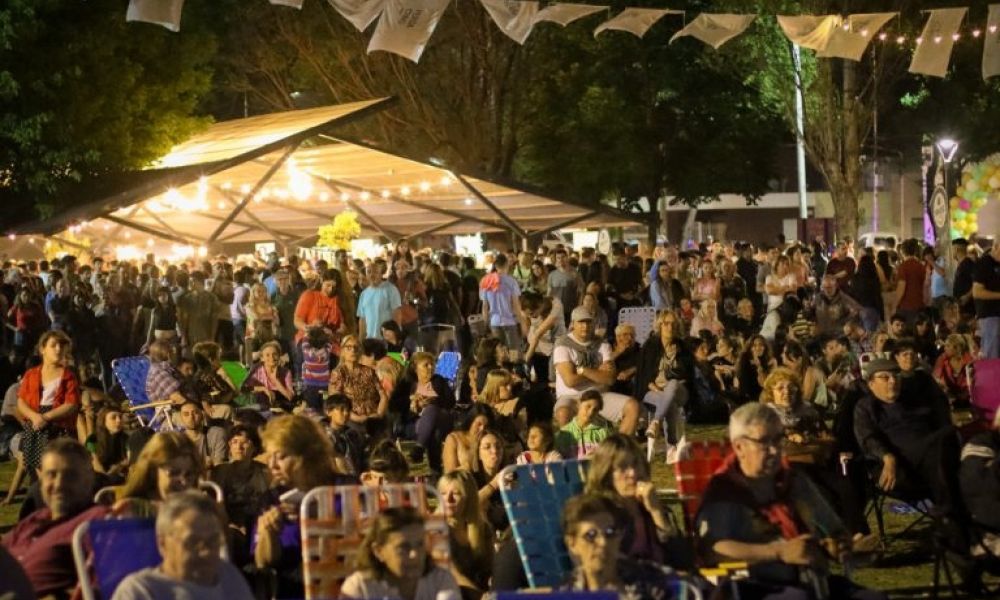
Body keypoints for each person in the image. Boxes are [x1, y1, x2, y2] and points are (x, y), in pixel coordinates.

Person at [696, 403, 885, 600]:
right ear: (739, 447)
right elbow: (713, 548)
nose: (774, 450)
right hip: (755, 584)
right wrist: (779, 552)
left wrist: (841, 545)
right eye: (764, 442)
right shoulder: (726, 490)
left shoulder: (792, 480)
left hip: (809, 578)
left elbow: (832, 528)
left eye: (778, 440)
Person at [853, 357, 963, 525]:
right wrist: (887, 457)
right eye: (885, 377)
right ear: (870, 383)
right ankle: (952, 517)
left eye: (896, 376)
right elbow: (867, 438)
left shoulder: (913, 400)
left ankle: (953, 516)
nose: (893, 381)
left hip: (934, 459)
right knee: (944, 439)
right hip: (902, 464)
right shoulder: (866, 407)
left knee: (957, 441)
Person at [255, 415, 353, 598]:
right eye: (270, 457)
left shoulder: (346, 489)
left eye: (282, 456)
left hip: (346, 588)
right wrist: (268, 533)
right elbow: (263, 562)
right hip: (294, 591)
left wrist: (313, 517)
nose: (272, 465)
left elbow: (367, 542)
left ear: (307, 456)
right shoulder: (271, 499)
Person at [2, 439, 109, 597]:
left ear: (89, 479)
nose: (59, 484)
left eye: (71, 475)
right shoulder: (34, 520)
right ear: (42, 479)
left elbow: (102, 587)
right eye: (51, 474)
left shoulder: (96, 521)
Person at [111, 491, 254, 600]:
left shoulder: (228, 576)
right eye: (192, 542)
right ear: (163, 544)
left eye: (213, 540)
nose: (206, 552)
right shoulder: (141, 591)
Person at [558, 493, 682, 596]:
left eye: (610, 532)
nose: (603, 542)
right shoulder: (566, 592)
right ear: (572, 544)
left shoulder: (654, 581)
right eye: (591, 535)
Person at [583, 435, 677, 564]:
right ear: (606, 474)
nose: (632, 473)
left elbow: (682, 562)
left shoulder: (658, 510)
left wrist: (656, 513)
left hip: (665, 581)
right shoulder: (601, 516)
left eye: (636, 464)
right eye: (622, 467)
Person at [340, 506, 460, 600]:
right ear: (379, 551)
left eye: (420, 545)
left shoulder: (439, 581)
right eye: (403, 547)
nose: (415, 554)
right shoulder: (360, 587)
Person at [552, 306, 640, 434]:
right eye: (581, 322)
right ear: (572, 324)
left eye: (588, 322)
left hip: (599, 395)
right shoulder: (563, 345)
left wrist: (582, 370)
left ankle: (618, 447)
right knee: (563, 413)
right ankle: (570, 451)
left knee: (632, 406)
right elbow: (570, 381)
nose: (585, 326)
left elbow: (610, 379)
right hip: (570, 396)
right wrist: (597, 370)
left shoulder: (602, 344)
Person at [17, 330, 80, 472]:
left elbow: (71, 404)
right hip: (34, 423)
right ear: (42, 349)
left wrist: (46, 417)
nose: (58, 349)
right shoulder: (31, 374)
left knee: (55, 465)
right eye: (53, 345)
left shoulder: (68, 376)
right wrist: (35, 417)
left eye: (61, 345)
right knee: (36, 468)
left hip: (57, 423)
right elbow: (21, 401)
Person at [635, 310, 693, 460]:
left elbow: (688, 376)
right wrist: (657, 389)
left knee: (672, 386)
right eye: (666, 323)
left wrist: (668, 391)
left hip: (679, 389)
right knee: (668, 403)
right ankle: (671, 448)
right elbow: (644, 376)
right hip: (652, 390)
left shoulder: (682, 346)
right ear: (660, 325)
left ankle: (656, 422)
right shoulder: (650, 346)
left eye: (673, 324)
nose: (670, 327)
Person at [390, 352, 455, 472]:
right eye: (426, 365)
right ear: (415, 368)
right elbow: (393, 405)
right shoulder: (407, 383)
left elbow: (451, 402)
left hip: (440, 417)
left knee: (431, 409)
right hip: (416, 422)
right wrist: (412, 399)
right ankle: (433, 469)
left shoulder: (439, 380)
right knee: (433, 432)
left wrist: (432, 400)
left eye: (432, 365)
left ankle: (419, 448)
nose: (430, 368)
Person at [115, 431, 205, 514]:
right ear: (153, 471)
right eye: (173, 473)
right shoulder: (129, 510)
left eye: (189, 474)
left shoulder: (201, 510)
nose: (183, 481)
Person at [437, 470, 494, 594]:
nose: (448, 499)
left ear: (469, 498)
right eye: (443, 493)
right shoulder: (435, 531)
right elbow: (452, 574)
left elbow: (491, 568)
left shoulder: (483, 528)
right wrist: (481, 597)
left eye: (456, 494)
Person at [328, 334, 388, 423]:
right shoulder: (338, 373)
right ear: (343, 351)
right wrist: (357, 418)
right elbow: (337, 402)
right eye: (348, 347)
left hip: (374, 417)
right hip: (351, 419)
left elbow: (383, 395)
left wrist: (379, 414)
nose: (353, 350)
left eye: (356, 348)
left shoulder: (369, 371)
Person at [479, 253, 527, 361]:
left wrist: (485, 324)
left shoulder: (485, 281)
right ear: (507, 265)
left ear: (495, 266)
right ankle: (513, 372)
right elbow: (516, 305)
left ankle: (502, 372)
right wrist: (523, 322)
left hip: (494, 322)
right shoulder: (511, 281)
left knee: (499, 351)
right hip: (510, 321)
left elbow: (485, 307)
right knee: (514, 351)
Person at [554, 389, 614, 459]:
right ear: (579, 404)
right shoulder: (563, 434)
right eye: (588, 406)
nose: (590, 412)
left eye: (595, 410)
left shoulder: (604, 433)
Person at [242, 340, 295, 411]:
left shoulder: (286, 372)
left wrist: (276, 380)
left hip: (279, 405)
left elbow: (290, 397)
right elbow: (245, 388)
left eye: (275, 354)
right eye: (267, 355)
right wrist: (264, 389)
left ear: (279, 356)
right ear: (262, 358)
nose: (272, 358)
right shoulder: (257, 370)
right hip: (260, 404)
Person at [357, 260, 402, 341]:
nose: (372, 275)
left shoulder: (391, 289)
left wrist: (396, 337)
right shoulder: (364, 294)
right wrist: (361, 339)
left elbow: (397, 313)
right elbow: (362, 319)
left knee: (392, 354)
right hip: (370, 340)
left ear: (381, 273)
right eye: (369, 272)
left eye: (375, 272)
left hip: (387, 340)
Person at [443, 403, 494, 473]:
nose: (482, 429)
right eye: (479, 424)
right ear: (471, 422)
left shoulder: (489, 439)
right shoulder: (454, 439)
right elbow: (449, 473)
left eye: (486, 426)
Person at [972, 241, 1000, 359]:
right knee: (991, 354)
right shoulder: (984, 264)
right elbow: (977, 292)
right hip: (990, 316)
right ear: (996, 247)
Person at [933, 333, 975, 408]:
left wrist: (964, 395)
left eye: (948, 346)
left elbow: (974, 383)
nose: (945, 348)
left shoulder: (969, 361)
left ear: (957, 348)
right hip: (949, 399)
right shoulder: (942, 359)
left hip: (969, 399)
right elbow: (936, 379)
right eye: (945, 345)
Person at [894, 239, 926, 323]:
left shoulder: (903, 267)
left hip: (906, 307)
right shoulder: (921, 266)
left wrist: (895, 304)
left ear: (902, 251)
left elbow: (901, 288)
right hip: (919, 304)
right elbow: (925, 286)